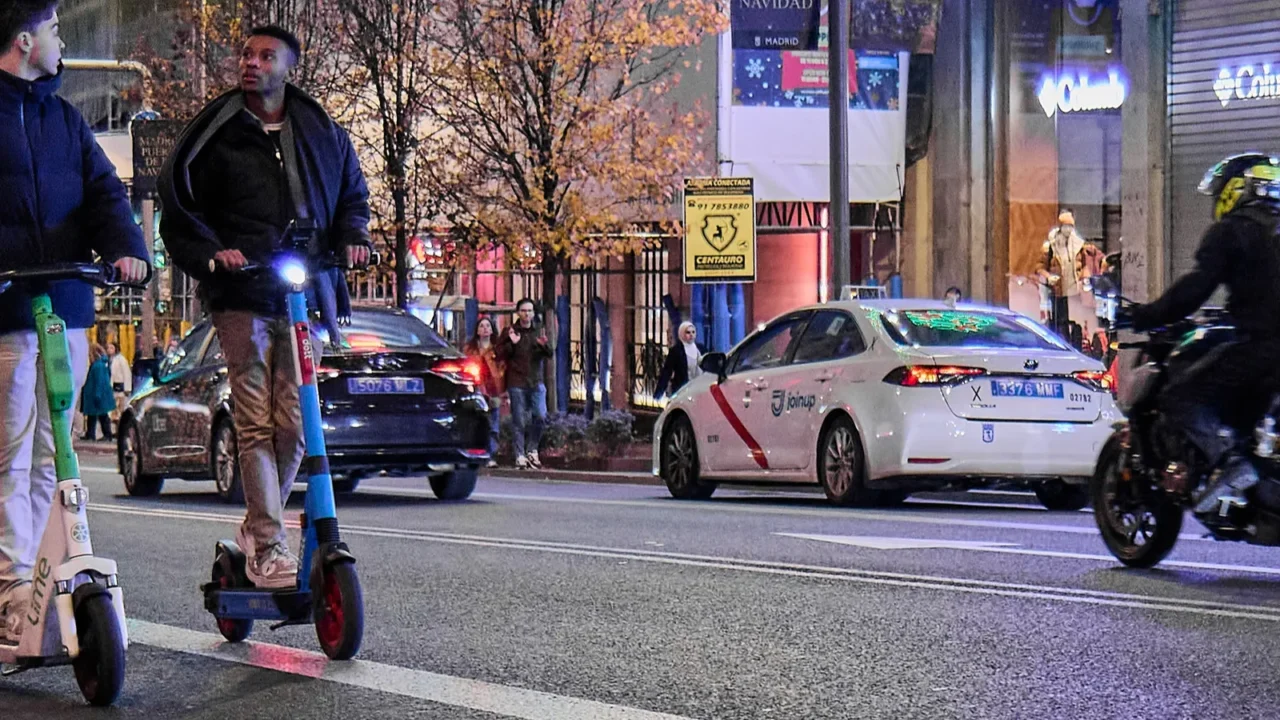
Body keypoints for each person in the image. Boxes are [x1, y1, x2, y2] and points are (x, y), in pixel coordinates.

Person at [158, 24, 372, 588]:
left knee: (297, 426)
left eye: (265, 56)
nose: (251, 63)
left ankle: (258, 524)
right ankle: (270, 544)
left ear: (288, 68)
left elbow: (353, 195)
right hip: (242, 296)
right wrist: (212, 254)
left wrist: (354, 236)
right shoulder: (217, 133)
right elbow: (177, 205)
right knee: (253, 422)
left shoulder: (323, 132)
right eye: (247, 55)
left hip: (305, 294)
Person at [0, 0, 150, 643]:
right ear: (25, 39)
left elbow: (104, 193)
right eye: (56, 31)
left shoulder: (65, 119)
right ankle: (8, 581)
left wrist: (128, 251)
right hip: (5, 314)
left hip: (64, 311)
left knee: (50, 456)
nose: (62, 42)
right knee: (8, 452)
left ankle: (34, 580)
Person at [1125, 153, 1280, 522]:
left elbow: (1196, 287)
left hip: (1263, 346)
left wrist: (1148, 315)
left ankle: (1229, 463)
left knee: (1180, 397)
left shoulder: (1235, 230)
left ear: (1237, 189)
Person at [495, 299, 551, 469]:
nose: (527, 314)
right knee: (518, 420)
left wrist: (543, 346)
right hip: (517, 381)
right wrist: (512, 343)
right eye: (524, 310)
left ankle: (532, 449)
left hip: (536, 380)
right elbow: (499, 354)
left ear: (534, 313)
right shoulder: (510, 331)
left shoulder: (538, 331)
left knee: (540, 415)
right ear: (518, 312)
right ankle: (519, 454)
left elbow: (549, 353)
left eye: (530, 311)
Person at [463, 316, 505, 468]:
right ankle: (474, 453)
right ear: (477, 331)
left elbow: (502, 369)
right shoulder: (470, 349)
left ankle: (491, 455)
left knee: (493, 425)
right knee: (475, 422)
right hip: (475, 389)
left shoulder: (497, 350)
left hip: (493, 390)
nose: (485, 328)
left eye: (488, 326)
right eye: (482, 326)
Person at [654, 322, 704, 400]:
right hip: (681, 391)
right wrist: (659, 392)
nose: (691, 335)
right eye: (688, 332)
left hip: (699, 391)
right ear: (682, 334)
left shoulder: (701, 349)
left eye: (693, 332)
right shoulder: (676, 351)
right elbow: (667, 372)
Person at [80, 344, 114, 442]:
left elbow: (99, 381)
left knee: (101, 415)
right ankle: (91, 433)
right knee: (94, 415)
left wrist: (97, 394)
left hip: (96, 394)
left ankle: (106, 434)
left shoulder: (98, 366)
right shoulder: (103, 364)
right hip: (98, 394)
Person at [107, 341, 131, 421]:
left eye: (111, 348)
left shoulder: (121, 359)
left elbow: (126, 373)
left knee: (121, 405)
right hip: (112, 386)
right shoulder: (109, 360)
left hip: (120, 385)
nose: (109, 350)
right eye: (108, 348)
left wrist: (127, 388)